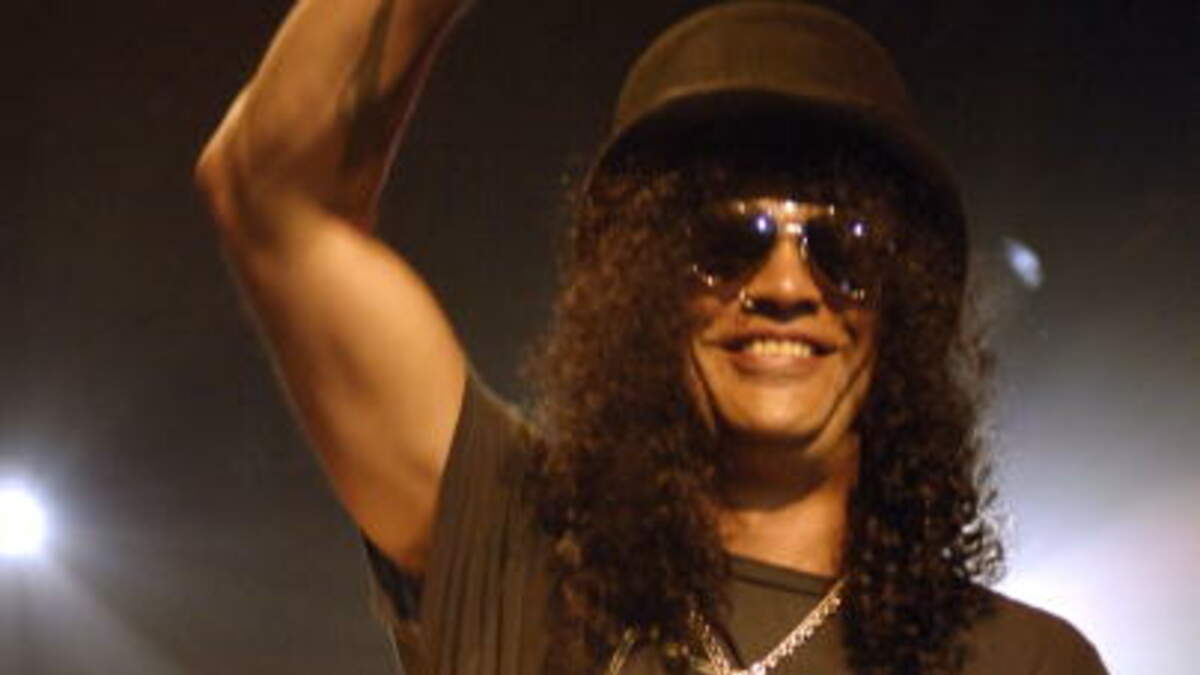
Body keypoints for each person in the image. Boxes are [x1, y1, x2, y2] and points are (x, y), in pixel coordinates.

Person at [196, 1, 1109, 673]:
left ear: (899, 301)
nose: (787, 286)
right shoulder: (524, 556)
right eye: (726, 242)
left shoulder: (1024, 662)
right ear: (644, 284)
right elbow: (270, 194)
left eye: (844, 248)